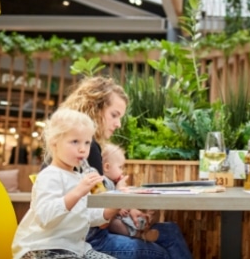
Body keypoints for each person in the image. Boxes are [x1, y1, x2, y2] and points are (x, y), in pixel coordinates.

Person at [61, 76, 192, 259]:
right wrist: (127, 201)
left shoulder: (78, 145)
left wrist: (130, 208)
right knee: (160, 253)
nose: (118, 124)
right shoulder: (88, 150)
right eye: (114, 115)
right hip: (89, 241)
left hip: (89, 234)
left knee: (170, 231)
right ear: (95, 108)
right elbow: (99, 217)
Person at [11, 107, 119, 259]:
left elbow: (84, 214)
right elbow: (45, 217)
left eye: (87, 143)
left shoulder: (78, 177)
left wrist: (109, 211)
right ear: (54, 144)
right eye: (75, 142)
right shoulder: (49, 176)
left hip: (73, 249)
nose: (83, 149)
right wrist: (78, 191)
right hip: (40, 248)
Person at [101, 143, 159, 242]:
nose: (122, 171)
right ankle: (140, 236)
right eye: (120, 167)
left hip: (123, 215)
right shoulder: (103, 182)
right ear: (107, 167)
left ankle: (144, 227)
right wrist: (119, 193)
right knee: (115, 224)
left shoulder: (114, 182)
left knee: (141, 216)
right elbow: (105, 202)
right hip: (112, 219)